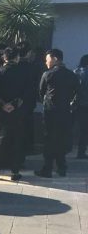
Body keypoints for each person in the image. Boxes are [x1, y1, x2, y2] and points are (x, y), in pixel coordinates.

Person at [36, 48, 79, 178]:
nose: (46, 62)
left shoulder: (47, 74)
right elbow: (78, 93)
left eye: (47, 59)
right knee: (61, 140)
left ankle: (47, 169)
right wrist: (72, 105)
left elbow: (40, 93)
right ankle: (62, 168)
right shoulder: (72, 75)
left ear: (55, 58)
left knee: (49, 140)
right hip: (65, 112)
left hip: (50, 112)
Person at [0, 47, 27, 181]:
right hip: (16, 110)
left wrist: (3, 103)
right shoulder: (23, 73)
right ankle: (14, 171)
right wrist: (13, 104)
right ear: (17, 58)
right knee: (16, 139)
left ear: (4, 58)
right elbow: (27, 92)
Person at [15, 43, 42, 159]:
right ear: (28, 53)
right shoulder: (33, 68)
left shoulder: (11, 67)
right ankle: (21, 157)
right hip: (27, 104)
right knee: (25, 131)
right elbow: (36, 86)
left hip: (11, 104)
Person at [73, 54, 88, 159]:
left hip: (75, 104)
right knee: (84, 130)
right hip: (86, 104)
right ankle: (81, 152)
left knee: (73, 128)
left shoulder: (75, 72)